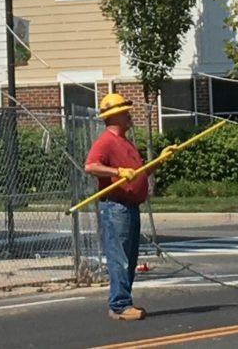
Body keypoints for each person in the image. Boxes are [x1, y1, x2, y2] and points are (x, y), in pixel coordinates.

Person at [83, 92, 174, 322]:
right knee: (119, 258)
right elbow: (91, 166)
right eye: (125, 112)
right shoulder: (106, 141)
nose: (129, 116)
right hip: (115, 208)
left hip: (130, 207)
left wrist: (159, 160)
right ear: (114, 116)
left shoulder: (126, 142)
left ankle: (124, 301)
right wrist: (116, 172)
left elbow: (139, 174)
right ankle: (119, 305)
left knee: (130, 258)